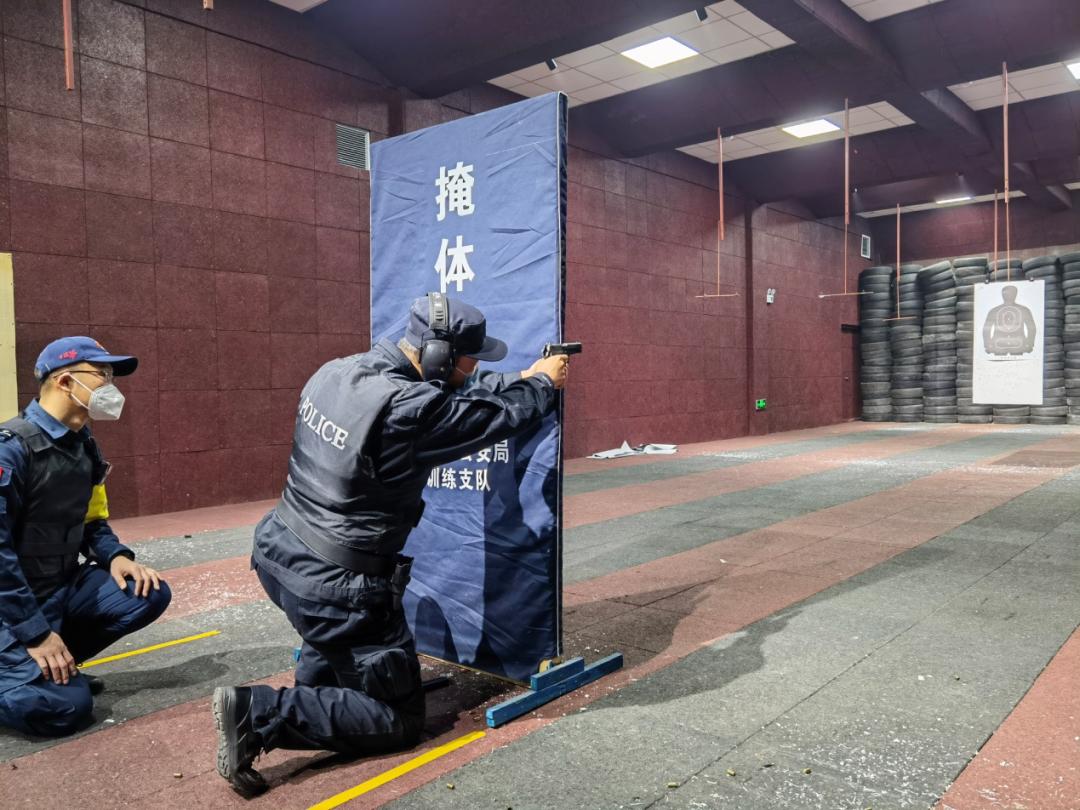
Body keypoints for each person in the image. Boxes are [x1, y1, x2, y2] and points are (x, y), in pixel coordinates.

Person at [213, 293, 568, 796]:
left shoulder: (336, 372)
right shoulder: (409, 409)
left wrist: (522, 375)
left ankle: (321, 693)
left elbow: (460, 396)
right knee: (397, 719)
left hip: (281, 553)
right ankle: (258, 713)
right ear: (441, 356)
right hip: (339, 587)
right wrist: (542, 384)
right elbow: (493, 417)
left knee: (336, 641)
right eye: (469, 359)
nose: (473, 368)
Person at [0, 337, 171, 737]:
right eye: (102, 375)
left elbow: (93, 521)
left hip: (56, 586)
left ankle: (52, 668)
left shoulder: (85, 446)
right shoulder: (10, 451)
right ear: (64, 382)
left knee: (146, 592)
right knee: (65, 710)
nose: (111, 386)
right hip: (10, 601)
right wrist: (36, 634)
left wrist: (115, 556)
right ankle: (35, 671)